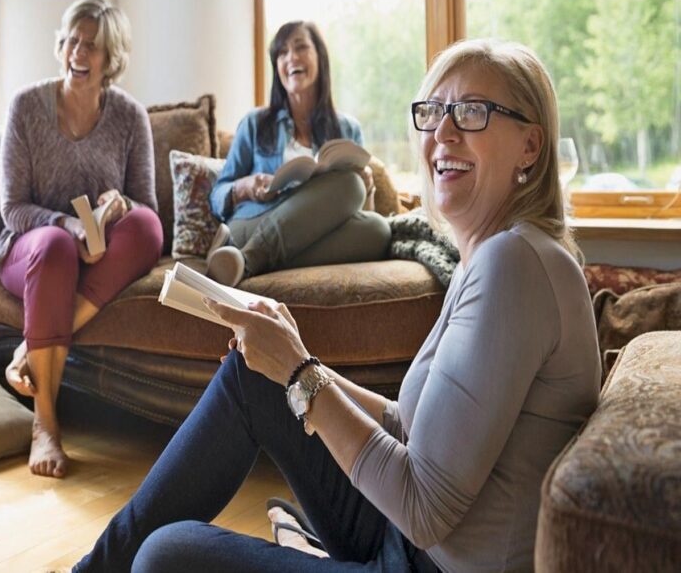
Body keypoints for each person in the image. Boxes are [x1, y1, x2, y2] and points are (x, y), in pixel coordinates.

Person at [74, 39, 601, 572]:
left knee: (164, 559)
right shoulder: (488, 258)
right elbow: (410, 427)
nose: (442, 131)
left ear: (531, 146)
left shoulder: (515, 264)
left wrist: (300, 372)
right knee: (252, 375)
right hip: (408, 534)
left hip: (428, 556)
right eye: (433, 112)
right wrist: (290, 363)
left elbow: (424, 509)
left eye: (470, 111)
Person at [0, 0, 163, 478]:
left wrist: (118, 208)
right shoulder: (27, 106)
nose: (77, 52)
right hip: (32, 248)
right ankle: (45, 424)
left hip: (100, 249)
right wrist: (67, 225)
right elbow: (11, 208)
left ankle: (32, 348)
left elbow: (146, 205)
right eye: (71, 40)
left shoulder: (130, 116)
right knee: (56, 246)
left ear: (112, 59)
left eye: (91, 45)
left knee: (148, 228)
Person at [206, 21, 390, 288]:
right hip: (256, 222)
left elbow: (357, 211)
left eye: (301, 47)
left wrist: (368, 188)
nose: (291, 57)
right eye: (282, 53)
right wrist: (246, 186)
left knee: (378, 230)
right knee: (349, 183)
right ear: (277, 67)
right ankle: (250, 257)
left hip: (312, 230)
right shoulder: (255, 123)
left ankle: (242, 263)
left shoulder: (346, 128)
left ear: (320, 57)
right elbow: (217, 195)